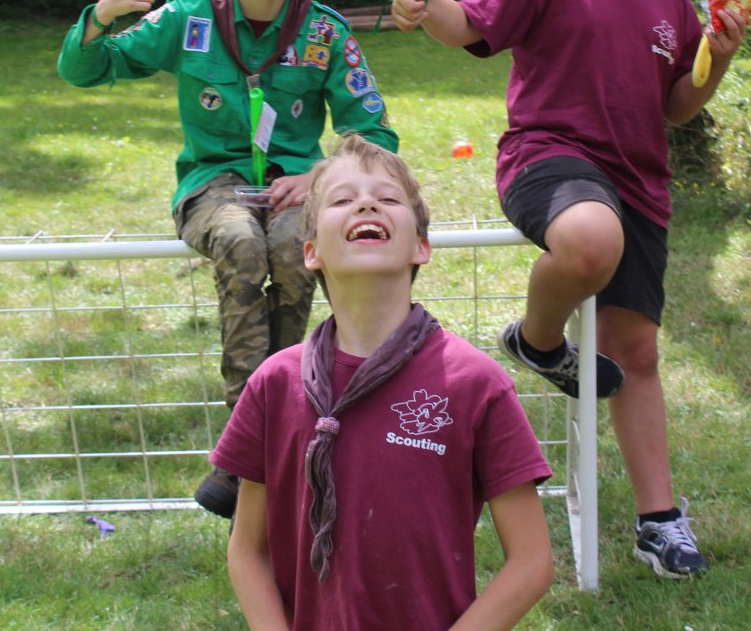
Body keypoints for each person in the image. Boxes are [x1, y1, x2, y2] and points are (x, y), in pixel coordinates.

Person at [389, 0, 747, 579]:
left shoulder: (669, 1)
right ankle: (538, 341)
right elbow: (468, 24)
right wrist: (426, 7)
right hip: (548, 159)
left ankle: (660, 523)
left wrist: (720, 57)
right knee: (589, 240)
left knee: (634, 353)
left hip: (639, 184)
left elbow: (678, 107)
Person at [57, 0, 399, 519]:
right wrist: (104, 13)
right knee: (243, 244)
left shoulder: (324, 33)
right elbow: (83, 69)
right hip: (212, 185)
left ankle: (270, 430)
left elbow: (375, 132)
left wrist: (321, 174)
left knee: (295, 250)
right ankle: (252, 439)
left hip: (295, 185)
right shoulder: (188, 18)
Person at [213, 134, 554, 631]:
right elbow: (247, 551)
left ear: (421, 246)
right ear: (311, 252)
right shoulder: (274, 383)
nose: (366, 204)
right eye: (342, 200)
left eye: (388, 199)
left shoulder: (476, 383)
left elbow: (531, 562)